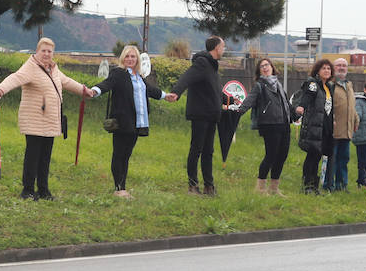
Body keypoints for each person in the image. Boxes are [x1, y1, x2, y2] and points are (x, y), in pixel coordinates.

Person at [0, 37, 94, 201]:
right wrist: (0, 90)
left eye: (49, 51)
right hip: (34, 120)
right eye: (43, 51)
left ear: (53, 53)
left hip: (51, 120)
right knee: (33, 156)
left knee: (45, 157)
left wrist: (84, 90)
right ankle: (28, 190)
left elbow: (66, 81)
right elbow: (15, 78)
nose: (46, 54)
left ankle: (44, 190)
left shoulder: (53, 69)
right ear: (37, 52)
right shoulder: (30, 67)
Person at [88, 45, 162, 197]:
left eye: (133, 56)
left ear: (137, 59)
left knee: (126, 155)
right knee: (119, 154)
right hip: (122, 121)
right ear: (123, 58)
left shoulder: (139, 76)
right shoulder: (119, 73)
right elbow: (107, 84)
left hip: (137, 122)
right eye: (127, 56)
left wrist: (166, 95)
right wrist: (95, 90)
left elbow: (151, 90)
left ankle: (123, 187)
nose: (130, 59)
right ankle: (119, 188)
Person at [166, 36, 225, 195]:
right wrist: (176, 92)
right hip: (201, 114)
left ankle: (209, 186)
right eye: (223, 47)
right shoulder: (202, 63)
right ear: (216, 48)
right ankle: (192, 186)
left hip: (212, 114)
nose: (224, 50)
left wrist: (231, 101)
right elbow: (187, 77)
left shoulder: (213, 67)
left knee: (208, 151)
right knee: (196, 149)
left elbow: (216, 91)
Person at [233, 57, 291, 195]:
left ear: (272, 67)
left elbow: (286, 104)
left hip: (284, 124)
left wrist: (296, 112)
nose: (265, 67)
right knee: (271, 156)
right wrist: (239, 112)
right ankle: (260, 188)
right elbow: (250, 100)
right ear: (259, 71)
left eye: (267, 65)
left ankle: (274, 188)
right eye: (262, 66)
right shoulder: (259, 86)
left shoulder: (278, 84)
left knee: (282, 156)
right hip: (269, 124)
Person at [292, 59, 334, 194]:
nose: (327, 71)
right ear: (317, 70)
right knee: (312, 155)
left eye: (328, 68)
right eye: (324, 68)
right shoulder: (313, 84)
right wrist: (301, 107)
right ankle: (307, 185)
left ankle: (314, 186)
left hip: (325, 127)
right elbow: (307, 97)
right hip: (313, 126)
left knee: (318, 156)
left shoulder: (328, 87)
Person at [322, 58, 358, 191]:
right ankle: (328, 185)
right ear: (333, 68)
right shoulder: (329, 85)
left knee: (344, 160)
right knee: (332, 160)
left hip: (347, 131)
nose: (342, 68)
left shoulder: (349, 85)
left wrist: (356, 120)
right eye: (338, 65)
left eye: (344, 66)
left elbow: (351, 106)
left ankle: (342, 185)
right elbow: (325, 106)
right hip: (333, 130)